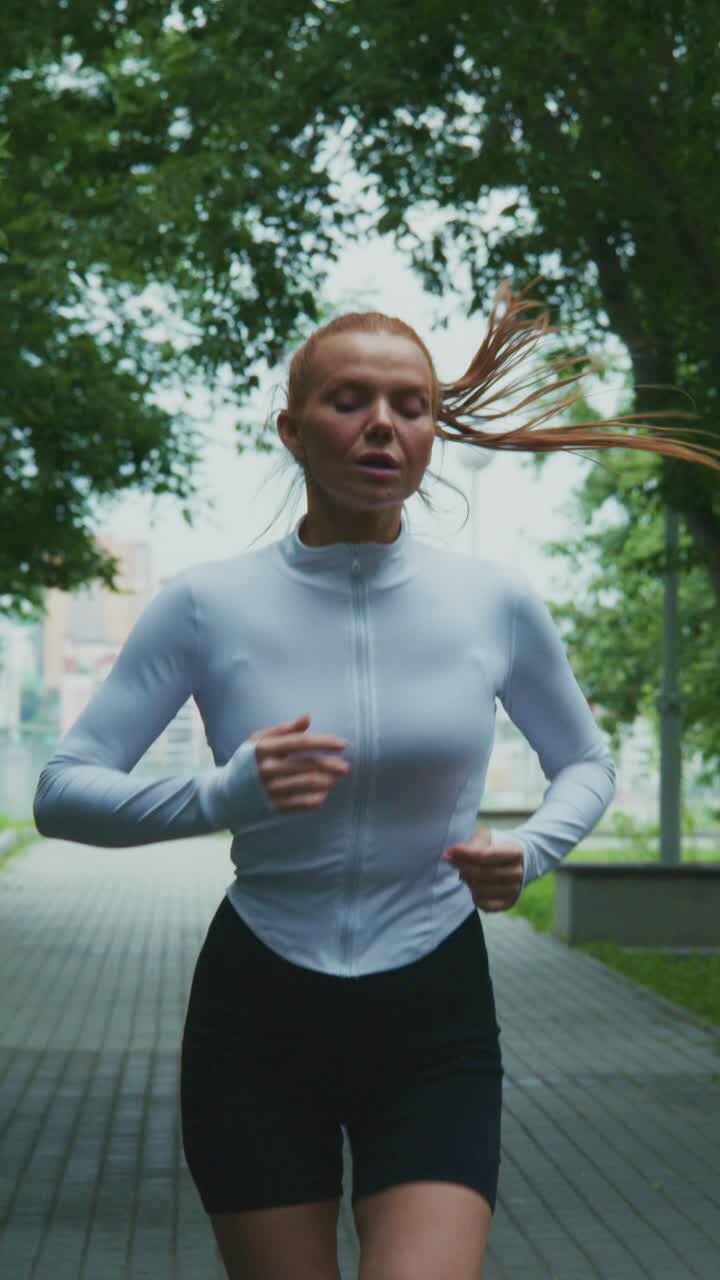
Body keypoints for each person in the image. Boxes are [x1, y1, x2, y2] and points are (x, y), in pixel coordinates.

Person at [33, 283, 720, 1280]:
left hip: (430, 1004)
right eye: (349, 400)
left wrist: (529, 850)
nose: (383, 426)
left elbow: (584, 760)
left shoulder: (493, 601)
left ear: (434, 429)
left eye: (412, 404)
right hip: (258, 1007)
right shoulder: (203, 605)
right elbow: (64, 789)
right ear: (291, 428)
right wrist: (224, 794)